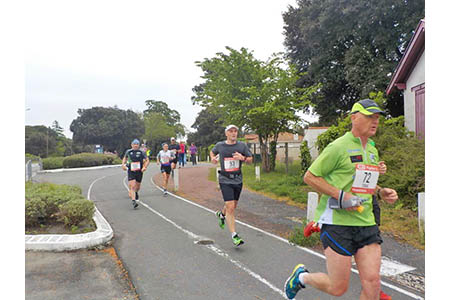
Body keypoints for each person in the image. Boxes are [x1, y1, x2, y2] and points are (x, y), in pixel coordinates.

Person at [284, 99, 398, 300]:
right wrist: (341, 195)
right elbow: (310, 177)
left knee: (372, 284)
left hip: (366, 222)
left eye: (377, 117)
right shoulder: (337, 147)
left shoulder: (372, 150)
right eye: (369, 116)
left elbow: (364, 185)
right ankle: (302, 277)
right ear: (354, 118)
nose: (375, 121)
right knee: (338, 288)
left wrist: (381, 192)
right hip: (337, 223)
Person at [210, 125, 253, 246]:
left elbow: (250, 159)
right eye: (231, 131)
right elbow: (212, 152)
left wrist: (243, 158)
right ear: (226, 134)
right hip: (225, 179)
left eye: (235, 131)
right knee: (230, 206)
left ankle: (221, 214)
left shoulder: (242, 146)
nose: (234, 133)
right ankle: (234, 235)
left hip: (238, 179)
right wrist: (213, 158)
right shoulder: (220, 145)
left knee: (232, 206)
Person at [122, 139, 149, 209]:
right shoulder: (128, 151)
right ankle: (134, 201)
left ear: (139, 145)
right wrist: (123, 165)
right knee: (133, 186)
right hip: (131, 171)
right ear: (131, 145)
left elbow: (147, 160)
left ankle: (136, 192)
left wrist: (144, 167)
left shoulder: (142, 152)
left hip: (139, 171)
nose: (135, 145)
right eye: (134, 144)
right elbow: (124, 158)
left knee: (138, 186)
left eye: (137, 144)